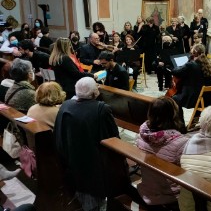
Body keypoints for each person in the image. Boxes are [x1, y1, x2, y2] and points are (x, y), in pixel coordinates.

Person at [54, 77, 124, 210]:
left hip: (70, 157)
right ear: (95, 93)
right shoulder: (101, 109)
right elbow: (113, 137)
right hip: (93, 163)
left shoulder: (66, 105)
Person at [136, 96, 188, 208]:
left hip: (148, 187)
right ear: (173, 115)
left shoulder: (142, 135)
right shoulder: (181, 143)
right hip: (170, 195)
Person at [171, 43, 211, 108]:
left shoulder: (191, 65)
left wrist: (187, 62)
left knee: (174, 98)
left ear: (195, 52)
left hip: (193, 99)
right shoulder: (209, 63)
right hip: (207, 98)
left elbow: (175, 72)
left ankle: (180, 118)